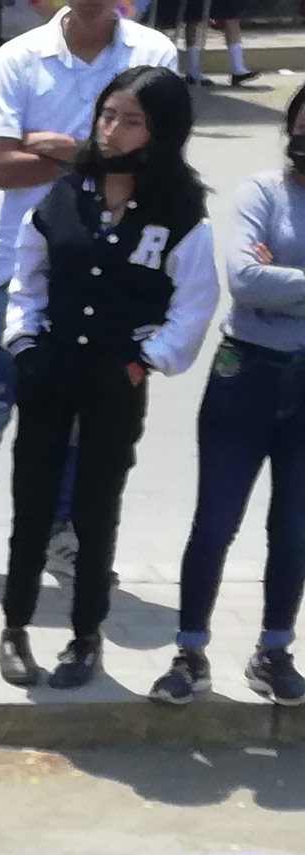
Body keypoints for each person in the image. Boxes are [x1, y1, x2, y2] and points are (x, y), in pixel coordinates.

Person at [0, 0, 173, 586]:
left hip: (105, 271)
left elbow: (156, 165)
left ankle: (62, 537)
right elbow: (1, 168)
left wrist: (62, 150)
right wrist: (101, 160)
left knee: (77, 418)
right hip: (13, 268)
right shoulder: (19, 56)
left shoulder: (153, 54)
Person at [0, 66, 211, 695]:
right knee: (32, 500)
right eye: (108, 115)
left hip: (117, 376)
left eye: (132, 121)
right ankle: (14, 626)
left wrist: (147, 361)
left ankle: (85, 635)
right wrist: (24, 342)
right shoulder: (67, 192)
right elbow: (27, 274)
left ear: (162, 131)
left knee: (96, 507)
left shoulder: (180, 210)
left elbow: (196, 302)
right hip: (50, 367)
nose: (112, 131)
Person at [159, 86, 305, 708]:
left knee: (294, 528)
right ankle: (190, 653)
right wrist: (268, 283)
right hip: (244, 374)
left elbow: (267, 281)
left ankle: (273, 651)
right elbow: (244, 280)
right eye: (301, 126)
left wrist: (284, 280)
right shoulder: (262, 193)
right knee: (214, 523)